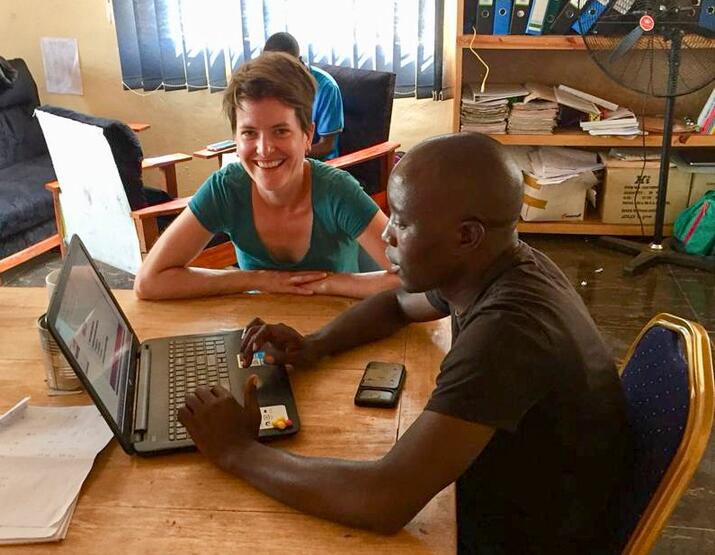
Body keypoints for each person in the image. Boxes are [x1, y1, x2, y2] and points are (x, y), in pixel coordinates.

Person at [178, 133, 631, 554]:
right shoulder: (490, 264)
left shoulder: (509, 332)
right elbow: (396, 305)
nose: (386, 235)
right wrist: (314, 345)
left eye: (403, 221)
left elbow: (384, 501)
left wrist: (236, 451)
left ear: (466, 236)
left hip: (534, 536)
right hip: (524, 489)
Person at [134, 52, 399, 301]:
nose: (264, 149)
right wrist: (258, 279)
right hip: (259, 336)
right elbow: (149, 281)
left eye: (281, 131)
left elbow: (414, 279)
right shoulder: (227, 188)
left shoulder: (337, 190)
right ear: (236, 139)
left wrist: (326, 284)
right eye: (249, 133)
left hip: (336, 332)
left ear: (307, 136)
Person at [263, 32, 343, 160]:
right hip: (282, 159)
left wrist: (287, 154)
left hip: (318, 164)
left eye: (284, 69)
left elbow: (327, 146)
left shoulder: (326, 88)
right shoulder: (273, 82)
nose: (278, 75)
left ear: (299, 61)